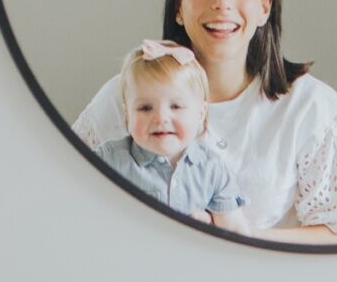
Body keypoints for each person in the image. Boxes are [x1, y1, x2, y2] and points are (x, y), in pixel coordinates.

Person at [72, 0, 337, 243]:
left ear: (265, 6)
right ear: (179, 7)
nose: (222, 3)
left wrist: (239, 239)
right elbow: (66, 189)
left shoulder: (310, 106)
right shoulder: (124, 94)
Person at [91, 41, 251, 231]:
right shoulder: (111, 159)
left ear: (200, 113)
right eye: (145, 108)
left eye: (176, 106)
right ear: (128, 115)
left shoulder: (211, 169)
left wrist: (211, 229)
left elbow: (236, 232)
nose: (161, 118)